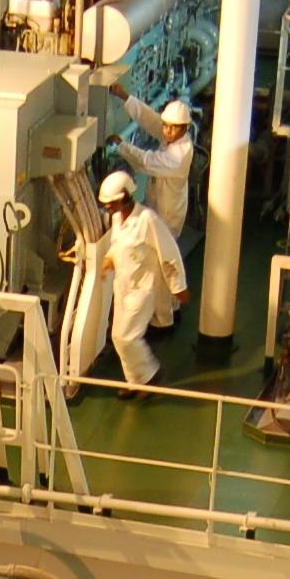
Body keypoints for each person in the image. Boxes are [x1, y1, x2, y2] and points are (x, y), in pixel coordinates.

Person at [96, 170, 185, 385]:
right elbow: (118, 244)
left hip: (142, 290)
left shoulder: (147, 220)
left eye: (111, 203)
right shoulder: (117, 219)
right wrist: (109, 259)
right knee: (118, 337)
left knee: (126, 337)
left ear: (126, 197)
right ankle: (134, 381)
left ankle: (150, 375)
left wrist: (178, 287)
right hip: (122, 287)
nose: (108, 208)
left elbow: (169, 253)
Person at [109, 79, 195, 234]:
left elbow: (145, 162)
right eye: (166, 125)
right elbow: (149, 118)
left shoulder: (178, 155)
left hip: (167, 216)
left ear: (184, 128)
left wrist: (121, 145)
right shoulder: (172, 135)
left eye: (174, 127)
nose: (167, 131)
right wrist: (124, 96)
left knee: (159, 245)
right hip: (157, 204)